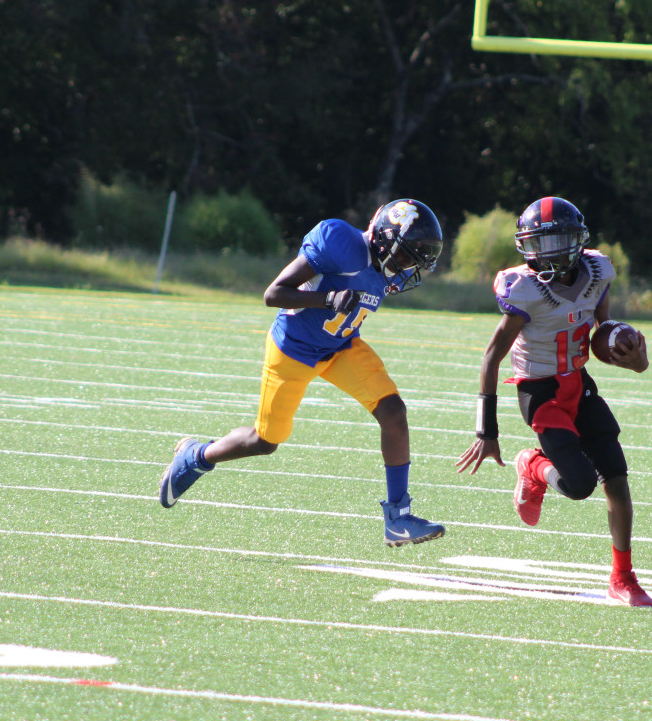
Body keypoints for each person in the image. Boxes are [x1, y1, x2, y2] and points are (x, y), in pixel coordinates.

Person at [159, 198, 447, 547]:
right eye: (404, 257)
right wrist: (328, 299)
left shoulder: (385, 268)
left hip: (341, 348)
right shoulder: (339, 242)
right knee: (264, 441)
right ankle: (197, 456)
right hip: (293, 350)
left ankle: (398, 518)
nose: (405, 268)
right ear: (384, 240)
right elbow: (274, 294)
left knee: (393, 411)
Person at [455, 196, 652, 606]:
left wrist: (637, 359)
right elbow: (492, 357)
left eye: (551, 243)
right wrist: (486, 430)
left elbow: (604, 331)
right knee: (580, 485)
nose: (540, 254)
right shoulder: (523, 288)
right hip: (540, 391)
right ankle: (532, 465)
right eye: (535, 244)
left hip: (578, 384)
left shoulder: (598, 272)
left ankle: (623, 576)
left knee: (616, 476)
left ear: (573, 243)